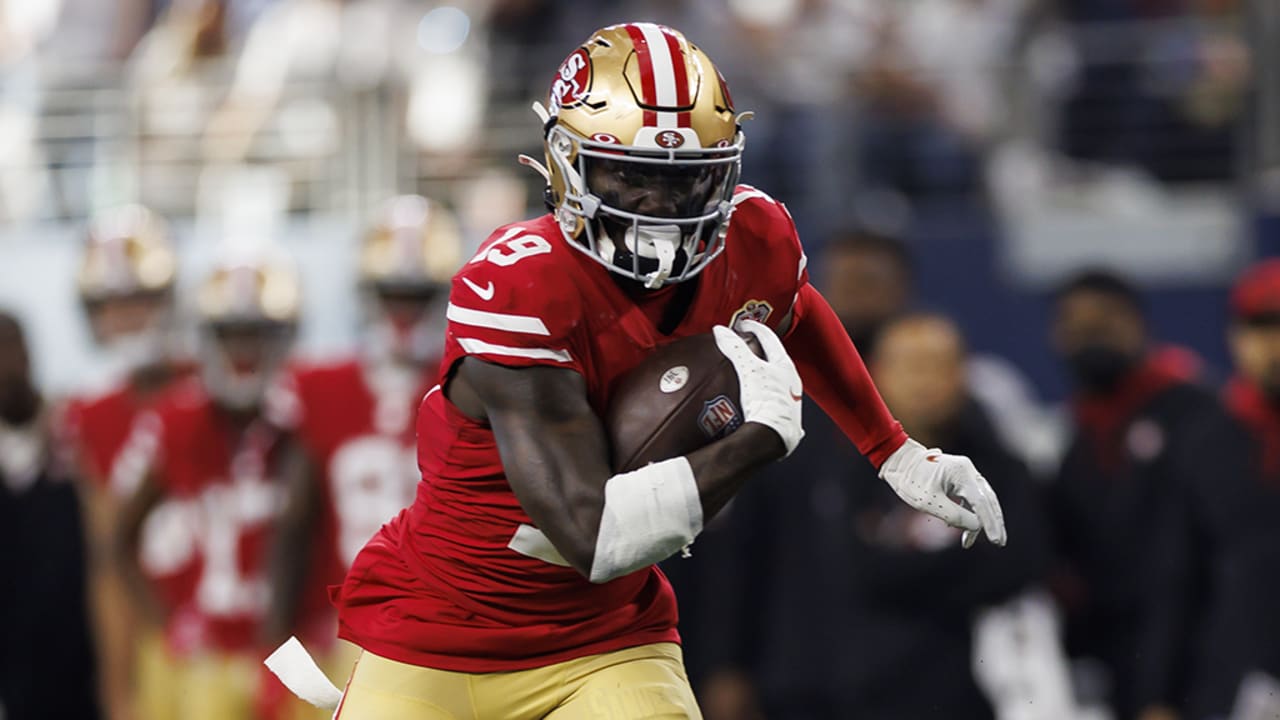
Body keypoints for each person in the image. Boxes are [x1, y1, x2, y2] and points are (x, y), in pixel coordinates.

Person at [281, 23, 1006, 719]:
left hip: (604, 638)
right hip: (442, 631)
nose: (659, 208)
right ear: (567, 163)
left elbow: (794, 306)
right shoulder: (519, 285)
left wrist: (893, 450)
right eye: (629, 178)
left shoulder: (751, 237)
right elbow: (591, 536)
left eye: (684, 182)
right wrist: (755, 441)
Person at [696, 313, 1051, 720]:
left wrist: (890, 562)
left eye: (939, 367)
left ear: (963, 377)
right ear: (877, 374)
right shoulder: (810, 460)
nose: (924, 383)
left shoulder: (996, 467)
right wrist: (726, 664)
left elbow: (1021, 562)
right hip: (819, 686)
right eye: (911, 367)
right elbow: (753, 561)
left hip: (948, 690)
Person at [261, 196, 464, 712]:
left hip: (455, 636)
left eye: (415, 296)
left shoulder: (474, 383)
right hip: (344, 636)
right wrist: (274, 646)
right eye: (393, 294)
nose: (402, 311)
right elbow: (292, 527)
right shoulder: (317, 386)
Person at [114, 250, 302, 720]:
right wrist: (163, 628)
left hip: (291, 648)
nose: (244, 351)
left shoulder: (303, 419)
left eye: (257, 335)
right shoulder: (174, 420)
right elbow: (118, 536)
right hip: (202, 656)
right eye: (231, 334)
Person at [1046, 269, 1215, 718]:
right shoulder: (1077, 433)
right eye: (1076, 328)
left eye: (1103, 324)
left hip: (1194, 656)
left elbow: (1187, 563)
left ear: (1139, 325)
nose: (1090, 339)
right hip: (1117, 658)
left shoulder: (1192, 412)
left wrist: (1163, 689)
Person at [60, 204, 190, 720]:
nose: (126, 316)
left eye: (139, 299)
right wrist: (118, 683)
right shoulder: (87, 415)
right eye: (110, 304)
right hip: (155, 635)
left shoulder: (213, 390)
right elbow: (107, 560)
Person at [1138, 259, 1280, 720]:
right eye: (1262, 328)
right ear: (1235, 336)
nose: (1275, 344)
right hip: (1235, 678)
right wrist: (1159, 694)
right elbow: (1176, 576)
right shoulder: (1204, 439)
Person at [0, 312, 100, 720]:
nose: (5, 365)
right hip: (15, 675)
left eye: (11, 348)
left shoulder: (74, 439)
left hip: (85, 661)